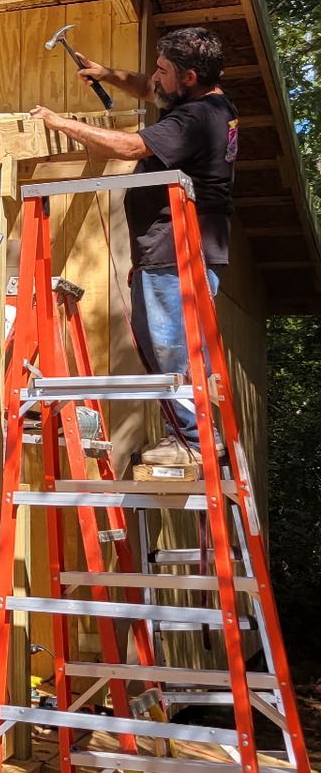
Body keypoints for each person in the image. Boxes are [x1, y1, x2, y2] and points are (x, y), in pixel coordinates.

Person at [28, 26, 235, 468]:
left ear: (190, 76)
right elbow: (149, 88)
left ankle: (195, 441)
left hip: (175, 252)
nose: (154, 77)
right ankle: (191, 436)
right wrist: (108, 73)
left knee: (169, 352)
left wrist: (63, 123)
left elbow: (130, 145)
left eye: (164, 70)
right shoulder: (208, 102)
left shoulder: (196, 118)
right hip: (175, 250)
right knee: (166, 349)